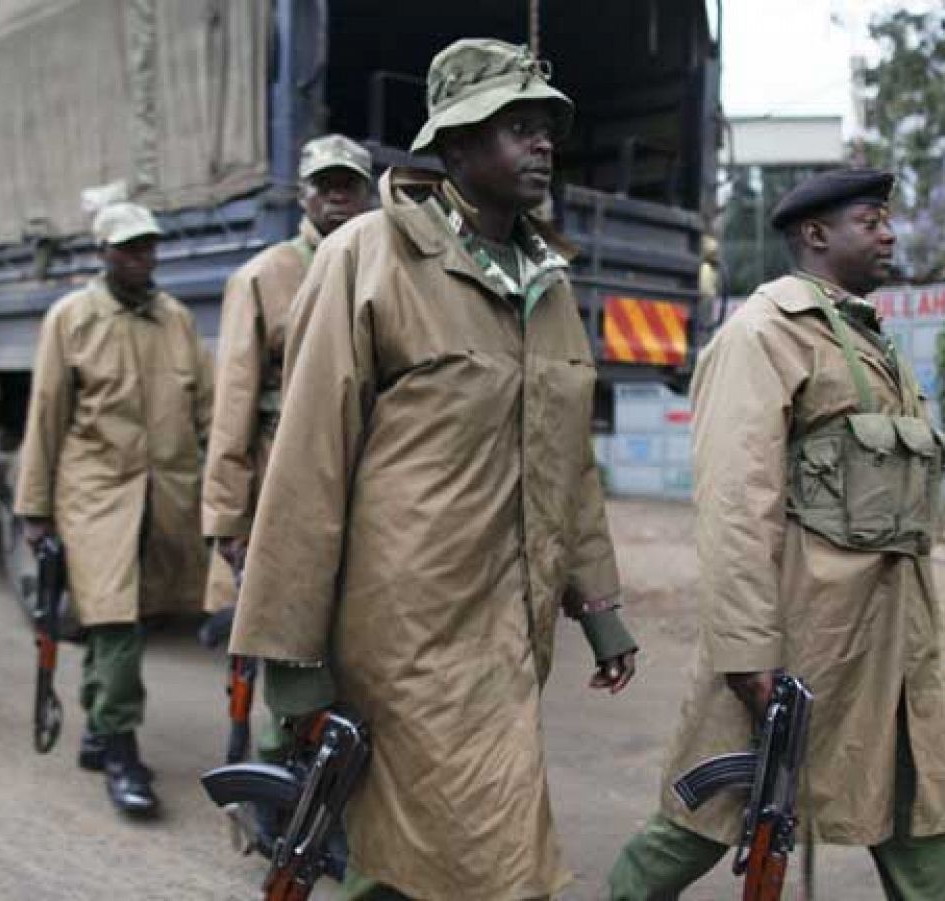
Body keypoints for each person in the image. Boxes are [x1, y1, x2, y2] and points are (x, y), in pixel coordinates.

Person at [228, 39, 638, 900]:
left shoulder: (548, 281)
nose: (544, 145)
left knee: (412, 851)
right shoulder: (367, 258)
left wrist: (597, 604)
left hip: (511, 629)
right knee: (476, 853)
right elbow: (307, 468)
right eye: (517, 127)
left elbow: (571, 462)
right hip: (404, 634)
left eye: (548, 129)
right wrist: (293, 660)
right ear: (454, 149)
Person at [605, 169, 945, 900]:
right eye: (871, 220)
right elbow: (736, 502)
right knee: (700, 820)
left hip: (890, 642)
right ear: (815, 235)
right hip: (803, 640)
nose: (890, 233)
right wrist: (747, 648)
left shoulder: (869, 340)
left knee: (922, 819)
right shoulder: (764, 334)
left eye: (887, 219)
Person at [14, 201, 214, 819]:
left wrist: (223, 492)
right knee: (117, 622)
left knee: (134, 618)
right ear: (102, 252)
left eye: (148, 247)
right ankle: (124, 752)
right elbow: (45, 414)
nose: (141, 258)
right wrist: (35, 509)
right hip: (95, 494)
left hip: (166, 495)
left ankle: (98, 732)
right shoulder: (71, 318)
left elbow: (208, 412)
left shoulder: (176, 319)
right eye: (127, 248)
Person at [200, 134, 372, 644]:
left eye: (349, 185)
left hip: (372, 474)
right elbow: (233, 407)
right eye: (325, 186)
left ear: (368, 196)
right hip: (287, 473)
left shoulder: (393, 273)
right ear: (303, 196)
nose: (337, 196)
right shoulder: (263, 277)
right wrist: (229, 519)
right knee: (291, 635)